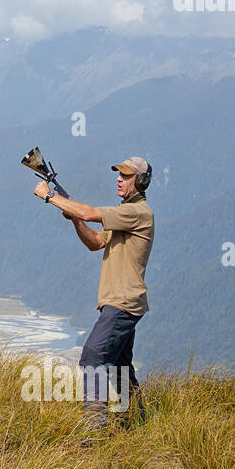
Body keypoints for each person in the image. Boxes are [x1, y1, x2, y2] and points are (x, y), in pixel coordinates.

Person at [33, 157, 154, 432]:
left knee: (92, 355)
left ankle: (95, 427)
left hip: (122, 302)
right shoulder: (125, 214)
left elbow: (89, 212)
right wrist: (75, 220)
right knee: (121, 366)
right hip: (119, 300)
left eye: (126, 176)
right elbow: (96, 242)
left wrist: (49, 196)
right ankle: (136, 422)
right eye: (119, 175)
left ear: (142, 182)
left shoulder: (138, 213)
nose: (119, 179)